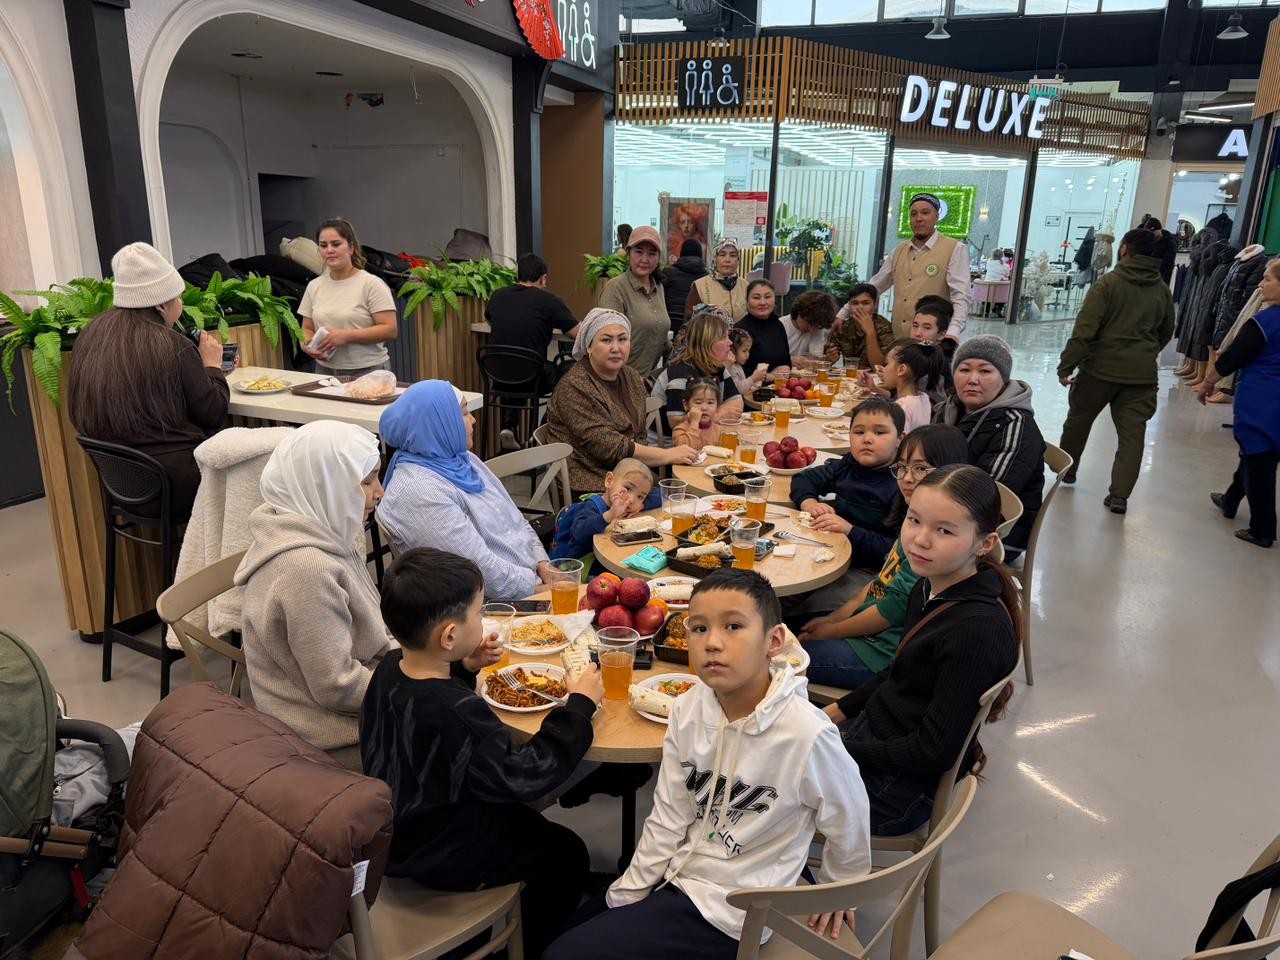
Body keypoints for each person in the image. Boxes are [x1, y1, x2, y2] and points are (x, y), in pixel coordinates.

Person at [545, 569, 871, 960]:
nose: (712, 643)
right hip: (680, 874)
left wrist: (840, 889)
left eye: (733, 626)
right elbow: (669, 816)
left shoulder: (807, 734)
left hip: (735, 910)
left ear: (774, 641)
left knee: (563, 954)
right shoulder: (687, 709)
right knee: (566, 933)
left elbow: (849, 814)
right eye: (698, 628)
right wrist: (627, 893)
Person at [360, 548, 605, 958]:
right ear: (449, 636)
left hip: (397, 833)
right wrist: (578, 707)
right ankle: (528, 948)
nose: (484, 621)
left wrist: (463, 665)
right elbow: (528, 775)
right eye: (478, 613)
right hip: (444, 853)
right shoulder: (459, 714)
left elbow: (428, 717)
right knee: (568, 855)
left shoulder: (388, 668)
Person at [825, 465, 1019, 835]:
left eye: (944, 530)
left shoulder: (975, 631)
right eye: (914, 520)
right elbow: (899, 671)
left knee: (755, 781)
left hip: (896, 791)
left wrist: (838, 750)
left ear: (985, 543)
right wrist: (836, 712)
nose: (920, 540)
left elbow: (933, 752)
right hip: (879, 736)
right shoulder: (930, 585)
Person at [236, 420, 394, 769]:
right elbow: (338, 686)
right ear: (326, 484)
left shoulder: (327, 529)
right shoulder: (306, 569)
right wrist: (418, 684)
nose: (380, 492)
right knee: (469, 739)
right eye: (367, 481)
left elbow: (374, 635)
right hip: (332, 739)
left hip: (363, 700)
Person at [795, 426, 970, 689]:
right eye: (902, 467)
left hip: (883, 655)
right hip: (871, 629)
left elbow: (891, 611)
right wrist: (833, 620)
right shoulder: (913, 518)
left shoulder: (932, 540)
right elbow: (879, 583)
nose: (907, 478)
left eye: (921, 468)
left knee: (771, 655)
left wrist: (832, 630)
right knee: (778, 628)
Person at [67, 241, 228, 521]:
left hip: (124, 486)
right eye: (178, 297)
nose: (181, 304)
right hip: (180, 485)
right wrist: (212, 366)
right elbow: (213, 414)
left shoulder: (91, 336)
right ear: (161, 304)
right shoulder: (173, 346)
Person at [377, 380, 553, 599]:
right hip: (488, 606)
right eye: (464, 413)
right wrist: (539, 589)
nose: (474, 419)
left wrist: (543, 564)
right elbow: (478, 572)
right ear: (439, 423)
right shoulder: (419, 491)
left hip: (528, 582)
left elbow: (516, 521)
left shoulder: (462, 459)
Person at [1057, 228, 1175, 515]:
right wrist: (1144, 353)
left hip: (1098, 370)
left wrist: (1067, 365)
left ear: (1124, 250)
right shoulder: (1161, 289)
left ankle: (1067, 471)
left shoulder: (1108, 284)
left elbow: (1084, 330)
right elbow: (1166, 331)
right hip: (1141, 376)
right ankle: (1119, 496)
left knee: (1078, 421)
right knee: (1133, 436)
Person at [546, 309, 699, 496]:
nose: (616, 348)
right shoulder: (574, 386)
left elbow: (638, 434)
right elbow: (610, 448)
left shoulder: (631, 377)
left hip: (630, 474)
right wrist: (668, 455)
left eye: (622, 339)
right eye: (606, 340)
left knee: (689, 498)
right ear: (589, 347)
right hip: (591, 486)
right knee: (678, 502)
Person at [1197, 257, 1280, 548]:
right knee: (1258, 455)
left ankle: (1262, 529)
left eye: (1268, 279)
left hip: (1262, 400)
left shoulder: (1264, 322)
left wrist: (1208, 382)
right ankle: (1231, 500)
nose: (1260, 284)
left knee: (1259, 459)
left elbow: (1233, 356)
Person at [935, 336, 1045, 556]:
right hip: (945, 511)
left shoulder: (1016, 425)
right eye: (964, 370)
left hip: (995, 535)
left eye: (985, 371)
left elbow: (986, 496)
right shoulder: (948, 409)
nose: (973, 379)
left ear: (1003, 379)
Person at [791, 398, 904, 568]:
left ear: (900, 439)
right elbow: (804, 478)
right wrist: (810, 503)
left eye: (879, 432)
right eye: (859, 432)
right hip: (827, 551)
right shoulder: (849, 464)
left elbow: (897, 551)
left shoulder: (904, 483)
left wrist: (849, 531)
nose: (867, 439)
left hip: (867, 570)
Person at [299, 218, 398, 377]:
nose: (329, 250)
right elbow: (306, 328)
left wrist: (345, 336)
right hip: (325, 372)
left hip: (369, 371)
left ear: (351, 248)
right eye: (323, 245)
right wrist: (307, 344)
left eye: (336, 244)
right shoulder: (314, 286)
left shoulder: (371, 284)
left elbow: (390, 330)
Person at [867, 193, 971, 342]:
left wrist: (953, 332)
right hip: (899, 339)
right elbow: (875, 286)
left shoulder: (954, 248)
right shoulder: (899, 250)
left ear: (936, 216)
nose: (919, 218)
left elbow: (961, 296)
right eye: (914, 214)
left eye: (925, 213)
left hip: (932, 342)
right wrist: (844, 312)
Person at [484, 252, 578, 388]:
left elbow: (489, 320)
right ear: (543, 278)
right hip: (533, 378)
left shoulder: (498, 295)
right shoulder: (549, 300)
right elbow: (576, 332)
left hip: (497, 374)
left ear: (518, 275)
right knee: (566, 367)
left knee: (516, 367)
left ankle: (510, 403)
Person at [550, 458, 655, 562]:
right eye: (628, 488)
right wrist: (609, 515)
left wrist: (641, 505)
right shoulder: (589, 506)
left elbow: (659, 493)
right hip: (571, 565)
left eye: (640, 496)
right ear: (609, 481)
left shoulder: (632, 506)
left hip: (603, 558)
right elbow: (579, 532)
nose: (632, 500)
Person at [599, 225, 671, 376]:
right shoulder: (616, 288)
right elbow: (606, 343)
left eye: (652, 254)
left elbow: (660, 333)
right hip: (619, 379)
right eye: (639, 252)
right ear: (628, 252)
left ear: (658, 258)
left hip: (647, 380)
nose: (645, 259)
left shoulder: (658, 287)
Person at [659, 305, 743, 428]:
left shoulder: (718, 367)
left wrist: (708, 417)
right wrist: (717, 416)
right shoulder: (680, 374)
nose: (730, 343)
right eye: (723, 337)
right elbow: (675, 422)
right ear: (707, 343)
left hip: (706, 433)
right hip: (670, 438)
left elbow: (737, 402)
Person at [867, 339, 945, 434]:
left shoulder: (901, 408)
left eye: (887, 363)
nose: (884, 368)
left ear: (901, 370)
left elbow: (897, 441)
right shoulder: (923, 397)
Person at [827, 283, 893, 371]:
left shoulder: (884, 327)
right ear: (849, 306)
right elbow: (826, 362)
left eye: (865, 303)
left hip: (875, 377)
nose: (860, 307)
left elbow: (879, 367)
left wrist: (870, 333)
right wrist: (830, 359)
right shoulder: (842, 326)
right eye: (855, 303)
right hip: (849, 376)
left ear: (875, 305)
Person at [734, 279, 791, 375]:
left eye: (767, 297)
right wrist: (769, 376)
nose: (763, 302)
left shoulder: (778, 324)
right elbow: (736, 371)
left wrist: (786, 368)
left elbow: (787, 360)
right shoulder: (740, 330)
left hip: (782, 382)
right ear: (747, 300)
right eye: (756, 298)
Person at [684, 239, 749, 322]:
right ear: (715, 259)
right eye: (722, 255)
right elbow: (689, 321)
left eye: (733, 255)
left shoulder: (745, 286)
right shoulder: (700, 286)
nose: (727, 260)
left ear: (738, 260)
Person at [664, 238, 707, 335]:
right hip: (695, 328)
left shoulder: (668, 273)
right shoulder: (707, 278)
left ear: (681, 254)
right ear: (700, 255)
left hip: (670, 326)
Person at [780, 290, 837, 364]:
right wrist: (789, 360)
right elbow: (768, 358)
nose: (810, 329)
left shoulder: (817, 330)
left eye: (816, 326)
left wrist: (827, 360)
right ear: (799, 312)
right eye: (809, 323)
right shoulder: (779, 326)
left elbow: (815, 359)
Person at [671, 379, 723, 450]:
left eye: (710, 402)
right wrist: (694, 423)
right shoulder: (680, 430)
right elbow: (686, 451)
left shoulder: (719, 430)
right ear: (686, 405)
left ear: (718, 405)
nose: (704, 408)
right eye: (698, 403)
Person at [725, 325, 767, 398]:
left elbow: (745, 387)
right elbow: (738, 389)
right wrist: (753, 378)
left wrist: (757, 380)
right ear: (733, 350)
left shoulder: (738, 366)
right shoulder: (731, 368)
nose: (747, 354)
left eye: (748, 351)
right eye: (744, 351)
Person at [1142, 215, 1177, 286]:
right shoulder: (1148, 240)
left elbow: (1167, 263)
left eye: (1153, 232)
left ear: (1159, 229)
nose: (1151, 235)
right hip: (1147, 276)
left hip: (1161, 278)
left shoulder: (1169, 243)